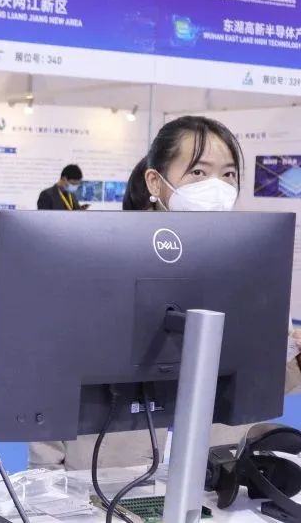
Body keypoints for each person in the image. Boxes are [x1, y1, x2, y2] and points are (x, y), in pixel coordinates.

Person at [29, 115, 301, 470]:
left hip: (215, 471)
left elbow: (259, 382)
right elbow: (53, 376)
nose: (217, 187)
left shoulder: (252, 269)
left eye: (229, 174)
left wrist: (295, 361)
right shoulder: (97, 261)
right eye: (199, 172)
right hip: (109, 473)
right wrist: (47, 478)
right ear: (155, 182)